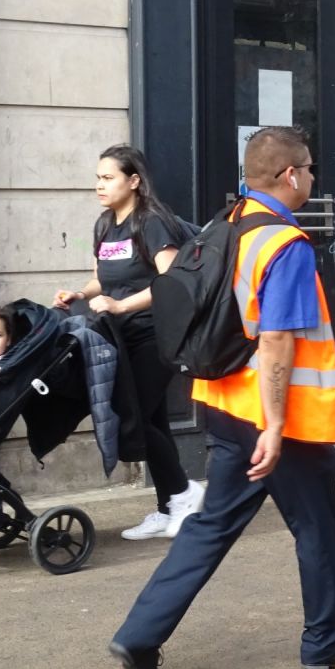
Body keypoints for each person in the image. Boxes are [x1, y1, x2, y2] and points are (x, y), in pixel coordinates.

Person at [108, 126, 335, 669]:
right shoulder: (284, 244)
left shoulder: (226, 223)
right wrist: (278, 424)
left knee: (211, 525)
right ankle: (326, 644)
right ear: (291, 175)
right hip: (277, 422)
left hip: (221, 403)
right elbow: (278, 338)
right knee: (316, 528)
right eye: (309, 169)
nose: (312, 177)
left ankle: (139, 634)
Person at [53, 145, 203, 540]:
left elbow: (168, 282)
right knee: (150, 419)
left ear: (133, 181)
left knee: (131, 413)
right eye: (98, 178)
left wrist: (120, 305)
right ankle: (170, 505)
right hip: (121, 335)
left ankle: (186, 494)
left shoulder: (152, 222)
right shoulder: (105, 225)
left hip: (156, 334)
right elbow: (103, 276)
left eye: (108, 178)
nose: (99, 186)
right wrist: (79, 295)